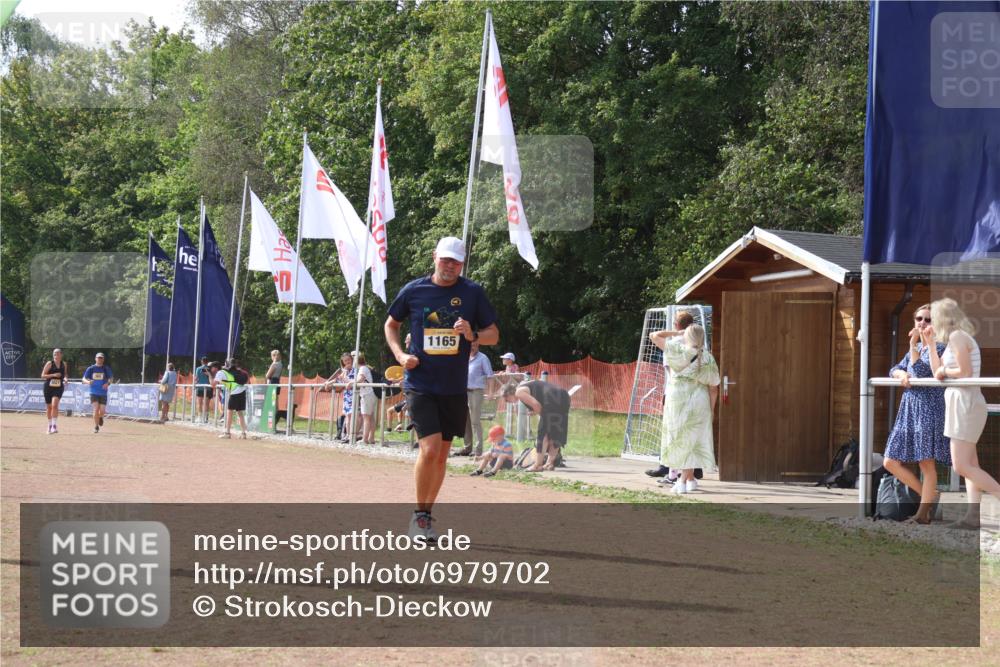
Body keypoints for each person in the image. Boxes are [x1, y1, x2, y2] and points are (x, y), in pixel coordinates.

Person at [385, 236, 499, 542]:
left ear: (462, 263)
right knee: (430, 449)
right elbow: (391, 325)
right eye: (445, 260)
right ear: (434, 256)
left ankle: (426, 514)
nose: (449, 266)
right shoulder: (414, 290)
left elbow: (493, 335)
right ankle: (419, 517)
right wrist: (400, 356)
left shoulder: (472, 292)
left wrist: (472, 333)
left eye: (456, 262)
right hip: (420, 383)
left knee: (441, 457)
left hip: (454, 387)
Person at [924, 298, 999, 530]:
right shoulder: (954, 339)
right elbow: (936, 370)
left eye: (932, 318)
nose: (930, 323)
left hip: (965, 401)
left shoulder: (957, 337)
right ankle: (972, 516)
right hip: (961, 401)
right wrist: (929, 344)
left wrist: (945, 371)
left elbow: (963, 372)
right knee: (971, 463)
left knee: (961, 466)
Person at [882, 304, 949, 524]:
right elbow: (896, 368)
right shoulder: (917, 347)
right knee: (890, 461)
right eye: (919, 319)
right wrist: (901, 372)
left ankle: (923, 514)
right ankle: (929, 496)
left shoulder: (939, 348)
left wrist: (915, 345)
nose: (922, 323)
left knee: (925, 463)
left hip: (929, 408)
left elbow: (922, 371)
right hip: (910, 408)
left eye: (927, 320)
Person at [655, 324, 720, 494]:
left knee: (680, 439)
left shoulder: (677, 349)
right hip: (699, 400)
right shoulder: (708, 357)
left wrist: (676, 332)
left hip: (677, 399)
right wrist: (712, 410)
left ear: (687, 336)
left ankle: (682, 481)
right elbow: (714, 387)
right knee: (693, 440)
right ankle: (690, 479)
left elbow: (654, 335)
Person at [646, 310, 696, 479]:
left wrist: (677, 333)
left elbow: (654, 335)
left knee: (673, 433)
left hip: (675, 393)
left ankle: (673, 472)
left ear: (676, 325)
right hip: (694, 394)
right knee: (688, 433)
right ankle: (689, 471)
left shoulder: (674, 343)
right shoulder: (699, 345)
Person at [503, 378, 571, 472]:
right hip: (564, 396)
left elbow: (536, 405)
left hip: (552, 399)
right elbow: (538, 402)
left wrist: (543, 418)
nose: (508, 402)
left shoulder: (519, 391)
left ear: (509, 393)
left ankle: (537, 465)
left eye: (507, 399)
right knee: (556, 432)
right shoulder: (527, 384)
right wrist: (536, 412)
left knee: (543, 434)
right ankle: (549, 464)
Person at [453, 340, 494, 457]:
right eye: (471, 346)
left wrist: (490, 392)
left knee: (475, 421)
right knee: (465, 420)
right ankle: (467, 447)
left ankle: (478, 449)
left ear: (478, 346)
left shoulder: (483, 358)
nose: (472, 348)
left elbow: (490, 376)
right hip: (463, 391)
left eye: (475, 346)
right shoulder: (464, 357)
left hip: (476, 391)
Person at [322, 352, 357, 441]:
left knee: (352, 415)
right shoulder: (345, 370)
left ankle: (352, 435)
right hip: (347, 396)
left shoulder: (356, 369)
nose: (347, 362)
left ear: (352, 360)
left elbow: (346, 380)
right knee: (347, 416)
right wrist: (328, 383)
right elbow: (338, 379)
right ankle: (347, 435)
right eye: (345, 361)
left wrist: (344, 376)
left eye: (348, 360)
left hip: (355, 395)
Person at [215, 358, 249, 439]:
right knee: (240, 413)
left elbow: (214, 383)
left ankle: (227, 433)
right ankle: (243, 433)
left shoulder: (224, 372)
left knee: (229, 412)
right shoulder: (239, 372)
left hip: (234, 392)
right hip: (242, 391)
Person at [82, 352, 113, 434]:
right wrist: (88, 382)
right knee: (96, 409)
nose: (100, 359)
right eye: (98, 358)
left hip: (103, 393)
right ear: (95, 358)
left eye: (101, 358)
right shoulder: (91, 368)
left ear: (103, 359)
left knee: (102, 411)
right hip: (93, 392)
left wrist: (108, 383)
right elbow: (83, 379)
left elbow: (111, 378)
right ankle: (96, 426)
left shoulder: (106, 368)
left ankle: (100, 417)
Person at [41, 348, 68, 434]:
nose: (56, 355)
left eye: (58, 353)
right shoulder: (49, 363)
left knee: (55, 405)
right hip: (48, 387)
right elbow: (42, 375)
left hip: (58, 387)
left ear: (61, 355)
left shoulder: (64, 364)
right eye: (54, 354)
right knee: (49, 407)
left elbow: (65, 374)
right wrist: (53, 374)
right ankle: (49, 425)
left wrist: (66, 378)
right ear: (53, 355)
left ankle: (54, 426)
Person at [354, 352, 376, 445]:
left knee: (366, 417)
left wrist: (350, 382)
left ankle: (365, 439)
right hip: (370, 394)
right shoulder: (365, 368)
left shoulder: (362, 368)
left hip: (367, 394)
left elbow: (360, 380)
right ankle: (371, 438)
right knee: (370, 417)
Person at [194, 356, 214, 423]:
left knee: (199, 403)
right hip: (208, 388)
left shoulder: (198, 369)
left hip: (200, 387)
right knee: (206, 404)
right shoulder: (209, 369)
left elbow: (196, 378)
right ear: (207, 362)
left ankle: (199, 417)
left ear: (202, 361)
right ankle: (205, 418)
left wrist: (195, 384)